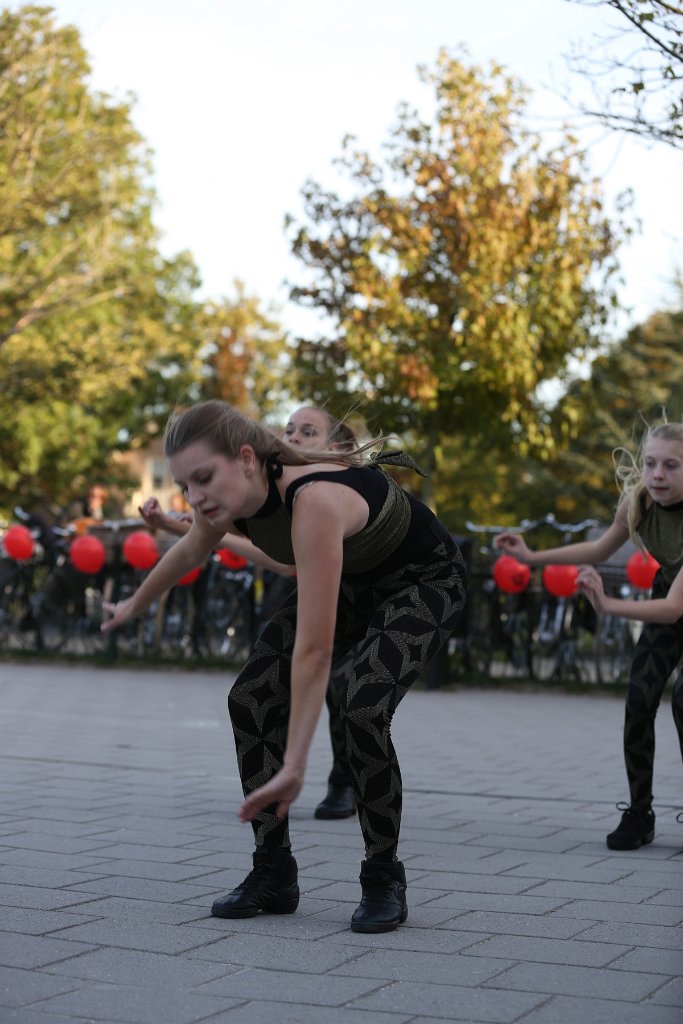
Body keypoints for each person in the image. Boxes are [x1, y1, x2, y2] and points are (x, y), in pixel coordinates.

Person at [104, 399, 467, 933]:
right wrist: (133, 605)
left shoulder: (314, 499)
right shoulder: (226, 501)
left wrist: (295, 765)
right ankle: (274, 873)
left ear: (247, 458)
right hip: (355, 583)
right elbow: (189, 552)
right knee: (249, 700)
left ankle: (383, 875)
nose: (195, 498)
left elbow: (315, 652)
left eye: (204, 478)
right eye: (186, 485)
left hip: (424, 581)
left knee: (361, 706)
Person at [141, 406, 362, 821]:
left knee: (340, 683)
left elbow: (281, 558)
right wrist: (180, 529)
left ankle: (344, 778)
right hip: (293, 590)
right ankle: (274, 780)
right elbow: (265, 552)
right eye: (290, 429)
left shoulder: (332, 493)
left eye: (308, 431)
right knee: (265, 685)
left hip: (353, 595)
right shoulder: (273, 491)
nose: (293, 437)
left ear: (336, 449)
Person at [495, 421, 683, 852]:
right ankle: (640, 811)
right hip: (669, 592)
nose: (657, 475)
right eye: (651, 463)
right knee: (640, 698)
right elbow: (597, 551)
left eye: (671, 466)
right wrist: (531, 556)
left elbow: (674, 609)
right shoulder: (639, 502)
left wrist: (608, 605)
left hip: (674, 601)